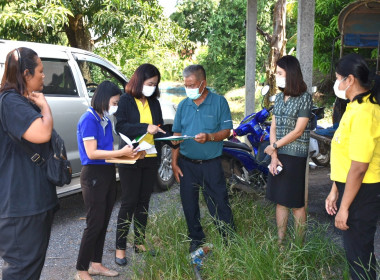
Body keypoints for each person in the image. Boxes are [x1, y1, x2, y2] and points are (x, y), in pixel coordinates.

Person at [0, 47, 57, 279]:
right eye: (40, 71)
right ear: (26, 73)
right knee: (21, 270)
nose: (44, 75)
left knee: (30, 269)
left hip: (32, 202)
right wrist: (45, 107)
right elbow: (42, 133)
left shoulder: (22, 101)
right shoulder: (10, 102)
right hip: (20, 206)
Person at [325, 53, 380, 280]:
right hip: (351, 188)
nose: (337, 84)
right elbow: (346, 155)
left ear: (350, 80)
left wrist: (345, 207)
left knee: (359, 255)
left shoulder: (366, 113)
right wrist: (335, 189)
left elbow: (359, 166)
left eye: (339, 78)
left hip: (362, 192)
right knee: (358, 253)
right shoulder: (354, 107)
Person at [75, 81, 137, 280]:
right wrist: (121, 152)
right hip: (93, 174)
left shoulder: (105, 120)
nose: (116, 106)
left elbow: (108, 152)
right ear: (103, 99)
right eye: (115, 101)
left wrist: (130, 154)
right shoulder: (88, 120)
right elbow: (92, 153)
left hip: (108, 172)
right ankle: (81, 270)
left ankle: (96, 264)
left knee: (103, 221)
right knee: (94, 223)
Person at [171, 64, 235, 253]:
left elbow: (226, 131)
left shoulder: (219, 102)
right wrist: (174, 163)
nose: (188, 89)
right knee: (189, 204)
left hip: (211, 164)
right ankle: (196, 239)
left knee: (219, 202)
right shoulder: (183, 105)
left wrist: (209, 137)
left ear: (203, 83)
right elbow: (177, 134)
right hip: (187, 164)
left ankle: (228, 239)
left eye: (192, 85)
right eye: (186, 85)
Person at [114, 64, 166, 265]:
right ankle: (120, 248)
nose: (152, 87)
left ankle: (139, 243)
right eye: (149, 83)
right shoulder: (125, 100)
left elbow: (159, 128)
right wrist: (146, 127)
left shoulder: (154, 102)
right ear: (139, 81)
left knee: (144, 201)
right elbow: (121, 126)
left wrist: (171, 139)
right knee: (128, 202)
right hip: (131, 157)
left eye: (155, 84)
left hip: (151, 158)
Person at [264, 55, 312, 244]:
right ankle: (280, 243)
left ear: (290, 73)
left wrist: (274, 146)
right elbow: (273, 127)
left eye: (280, 73)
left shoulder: (304, 98)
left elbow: (299, 130)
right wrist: (274, 155)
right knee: (280, 200)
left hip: (295, 155)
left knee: (296, 203)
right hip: (279, 154)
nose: (277, 76)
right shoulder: (278, 97)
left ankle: (299, 245)